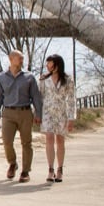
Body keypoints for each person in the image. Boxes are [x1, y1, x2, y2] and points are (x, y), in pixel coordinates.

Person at [0, 50, 43, 183]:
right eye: (19, 59)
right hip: (8, 113)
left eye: (22, 59)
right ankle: (12, 163)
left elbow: (36, 97)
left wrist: (38, 113)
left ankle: (25, 171)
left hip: (25, 112)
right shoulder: (1, 77)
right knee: (7, 141)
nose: (22, 61)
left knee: (26, 143)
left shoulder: (29, 77)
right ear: (11, 59)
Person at [38, 54, 76, 183]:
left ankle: (60, 169)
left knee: (60, 140)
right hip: (47, 112)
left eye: (50, 63)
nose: (48, 66)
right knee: (49, 138)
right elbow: (40, 97)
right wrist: (37, 113)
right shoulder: (43, 79)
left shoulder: (68, 80)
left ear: (56, 64)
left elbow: (71, 100)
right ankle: (50, 169)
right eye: (47, 64)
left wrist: (71, 118)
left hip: (61, 113)